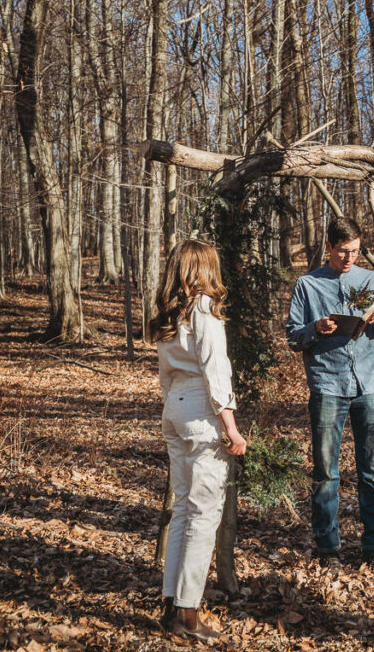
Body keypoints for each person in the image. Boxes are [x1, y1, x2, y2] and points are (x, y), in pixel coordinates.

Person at [149, 239, 247, 641]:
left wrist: (177, 409)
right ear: (204, 269)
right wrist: (231, 427)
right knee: (203, 516)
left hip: (174, 408)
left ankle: (172, 601)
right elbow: (215, 370)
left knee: (185, 513)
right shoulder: (203, 307)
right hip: (201, 412)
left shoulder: (170, 314)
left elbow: (166, 374)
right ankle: (188, 615)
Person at [286, 217, 374, 565]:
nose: (350, 258)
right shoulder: (307, 285)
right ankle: (328, 547)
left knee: (371, 470)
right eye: (343, 251)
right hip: (328, 384)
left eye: (356, 251)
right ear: (328, 246)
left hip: (368, 384)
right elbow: (292, 336)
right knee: (326, 471)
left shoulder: (371, 279)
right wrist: (315, 328)